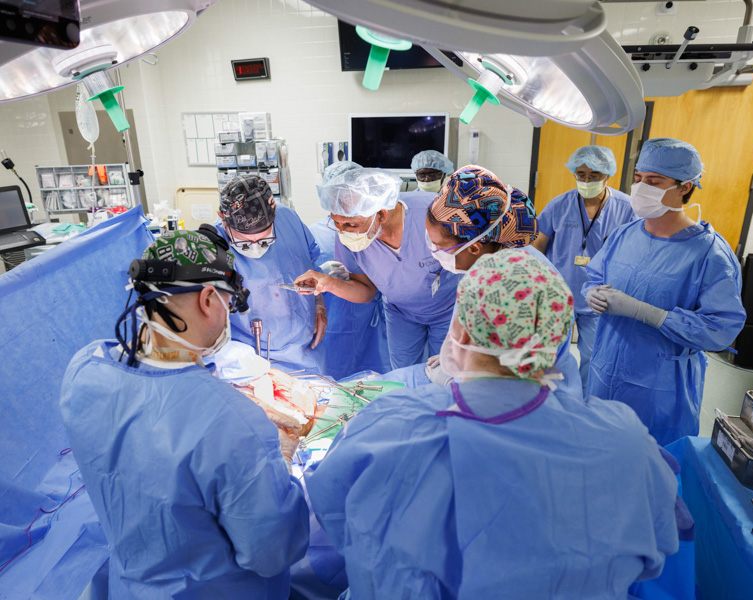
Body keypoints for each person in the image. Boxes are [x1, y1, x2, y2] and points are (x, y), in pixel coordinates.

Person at [306, 250, 681, 599]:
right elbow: (659, 545)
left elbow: (332, 521)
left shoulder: (389, 428)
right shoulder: (624, 441)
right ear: (555, 340)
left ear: (463, 332)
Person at [59, 228, 309, 598]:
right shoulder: (234, 427)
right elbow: (272, 553)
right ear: (209, 298)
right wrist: (279, 462)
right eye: (229, 304)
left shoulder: (85, 368)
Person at [583, 138, 747, 446]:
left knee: (653, 470)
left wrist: (650, 314)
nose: (642, 188)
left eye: (654, 182)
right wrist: (591, 292)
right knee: (600, 454)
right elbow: (594, 274)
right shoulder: (624, 235)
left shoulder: (709, 254)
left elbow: (720, 328)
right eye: (638, 179)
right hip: (605, 375)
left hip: (658, 390)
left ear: (685, 186)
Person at [423, 164, 583, 399]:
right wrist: (460, 356)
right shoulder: (495, 261)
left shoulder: (517, 288)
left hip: (534, 408)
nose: (433, 251)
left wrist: (456, 382)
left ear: (475, 247)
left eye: (438, 246)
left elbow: (506, 384)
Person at [295, 168, 460, 369]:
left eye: (350, 224)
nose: (342, 231)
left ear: (381, 214)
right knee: (403, 374)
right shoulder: (349, 239)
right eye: (336, 222)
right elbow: (366, 291)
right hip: (402, 313)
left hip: (449, 309)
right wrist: (329, 283)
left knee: (447, 374)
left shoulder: (431, 214)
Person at [533, 146, 635, 392]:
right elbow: (536, 247)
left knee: (593, 358)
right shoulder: (559, 205)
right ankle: (551, 403)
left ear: (608, 174)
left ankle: (585, 405)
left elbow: (635, 253)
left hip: (600, 298)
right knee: (551, 355)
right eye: (581, 175)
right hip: (558, 295)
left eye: (594, 175)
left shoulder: (626, 208)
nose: (587, 181)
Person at [216, 174, 327, 374]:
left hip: (306, 351)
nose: (257, 248)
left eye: (265, 238)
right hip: (252, 360)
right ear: (223, 219)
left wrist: (319, 303)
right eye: (244, 242)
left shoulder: (288, 218)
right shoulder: (211, 247)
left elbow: (312, 260)